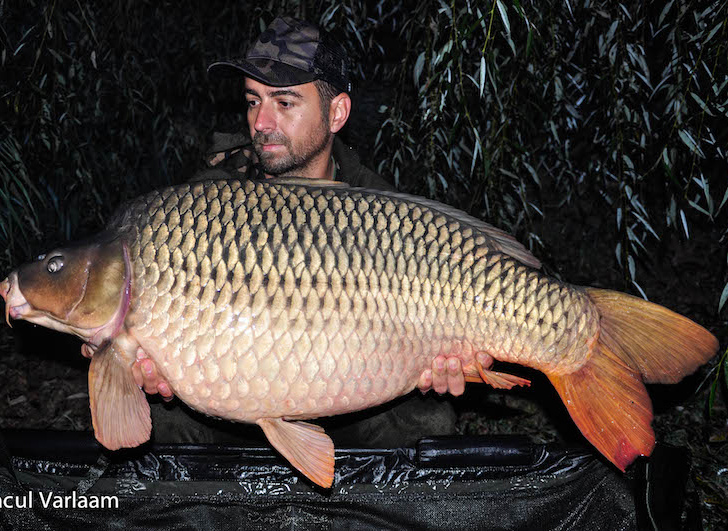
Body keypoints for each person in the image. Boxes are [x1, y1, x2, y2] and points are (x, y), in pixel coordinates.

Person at [101, 16, 469, 446]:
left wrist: (440, 361)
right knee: (170, 423)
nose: (260, 122)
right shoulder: (204, 207)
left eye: (285, 102)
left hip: (352, 391)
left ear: (337, 113)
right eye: (253, 100)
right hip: (235, 401)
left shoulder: (380, 210)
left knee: (426, 420)